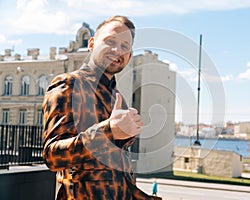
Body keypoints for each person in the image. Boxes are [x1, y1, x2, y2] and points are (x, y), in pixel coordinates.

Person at [42, 15, 162, 200]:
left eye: (124, 47)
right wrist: (109, 130)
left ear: (129, 57)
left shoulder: (116, 97)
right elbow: (52, 156)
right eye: (110, 41)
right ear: (92, 44)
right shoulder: (69, 84)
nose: (117, 50)